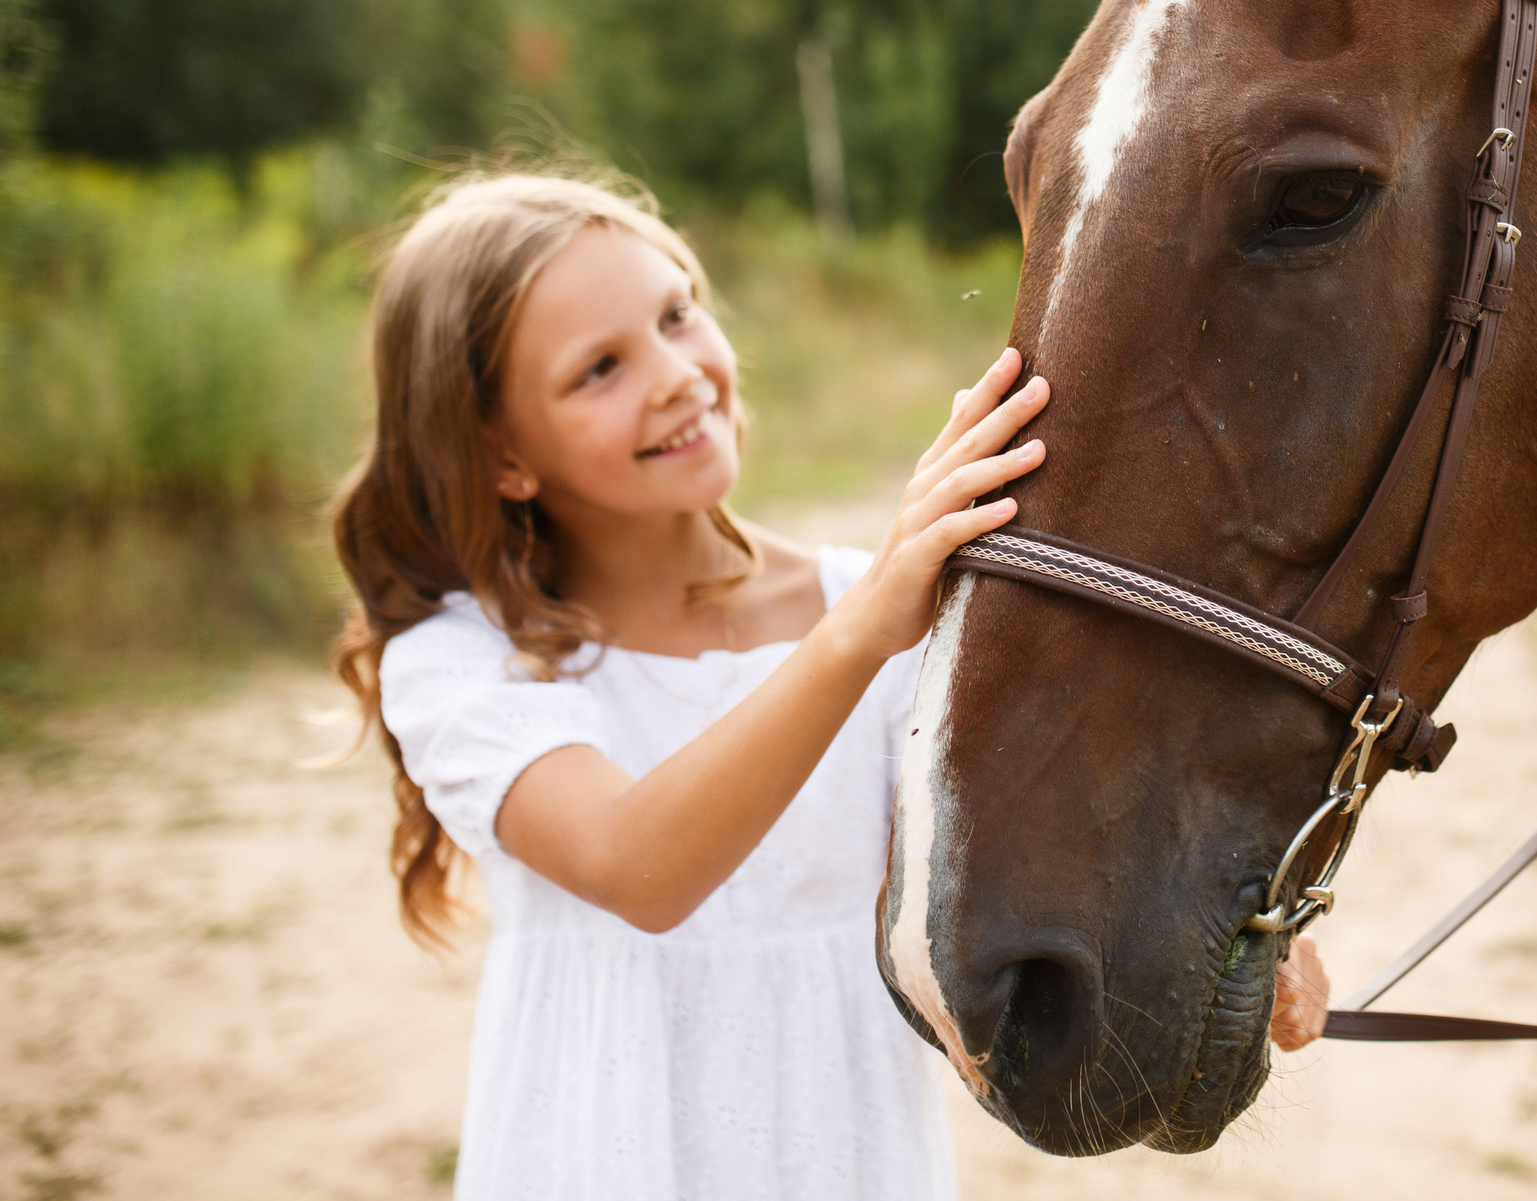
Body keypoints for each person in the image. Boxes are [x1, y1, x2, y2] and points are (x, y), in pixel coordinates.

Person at [331, 172, 1328, 1201]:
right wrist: (858, 633)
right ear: (501, 457)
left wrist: (1247, 937)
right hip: (601, 1157)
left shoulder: (867, 610)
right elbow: (637, 867)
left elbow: (1045, 832)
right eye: (599, 369)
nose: (676, 373)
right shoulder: (461, 657)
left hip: (844, 1161)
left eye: (677, 313)